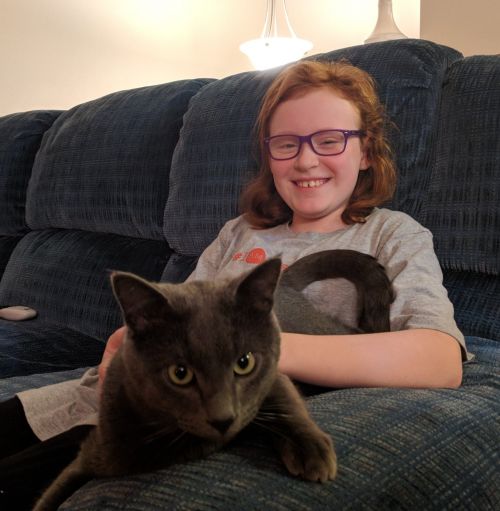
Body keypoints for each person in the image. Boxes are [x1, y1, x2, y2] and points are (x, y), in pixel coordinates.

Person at [0, 60, 469, 509]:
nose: (306, 160)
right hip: (114, 392)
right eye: (286, 143)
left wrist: (260, 352)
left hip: (202, 412)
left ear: (365, 151)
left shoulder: (392, 234)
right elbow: (176, 314)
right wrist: (128, 339)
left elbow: (439, 360)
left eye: (330, 140)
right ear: (269, 154)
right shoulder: (240, 232)